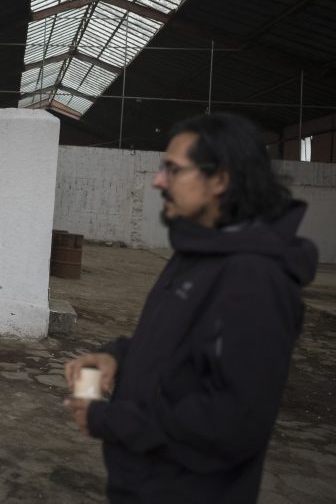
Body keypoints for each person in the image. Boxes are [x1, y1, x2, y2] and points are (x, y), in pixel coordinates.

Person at [63, 112, 317, 503]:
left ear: (220, 180)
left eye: (173, 170)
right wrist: (118, 357)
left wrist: (113, 421)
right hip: (145, 484)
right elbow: (180, 347)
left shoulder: (254, 278)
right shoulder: (198, 252)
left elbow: (234, 422)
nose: (157, 180)